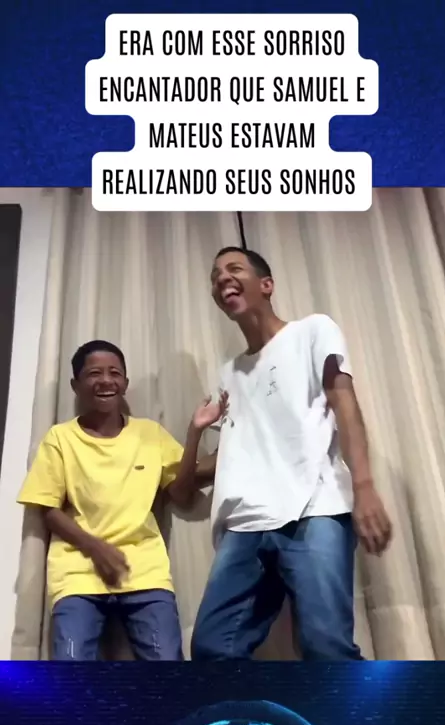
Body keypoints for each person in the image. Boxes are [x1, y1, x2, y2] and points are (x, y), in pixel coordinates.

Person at [190, 247, 393, 661]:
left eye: (234, 269)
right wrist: (192, 439)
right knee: (212, 648)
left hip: (315, 508)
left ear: (266, 285)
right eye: (215, 275)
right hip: (246, 521)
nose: (222, 278)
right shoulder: (229, 373)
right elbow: (235, 449)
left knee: (324, 645)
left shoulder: (312, 331)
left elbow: (345, 404)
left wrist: (364, 486)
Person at [17, 340, 224, 661]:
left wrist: (195, 433)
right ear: (75, 385)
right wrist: (96, 548)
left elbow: (182, 493)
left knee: (168, 669)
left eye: (114, 373)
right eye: (94, 374)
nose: (106, 380)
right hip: (77, 574)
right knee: (70, 671)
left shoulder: (149, 434)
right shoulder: (60, 438)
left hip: (144, 572)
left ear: (125, 383)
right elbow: (47, 509)